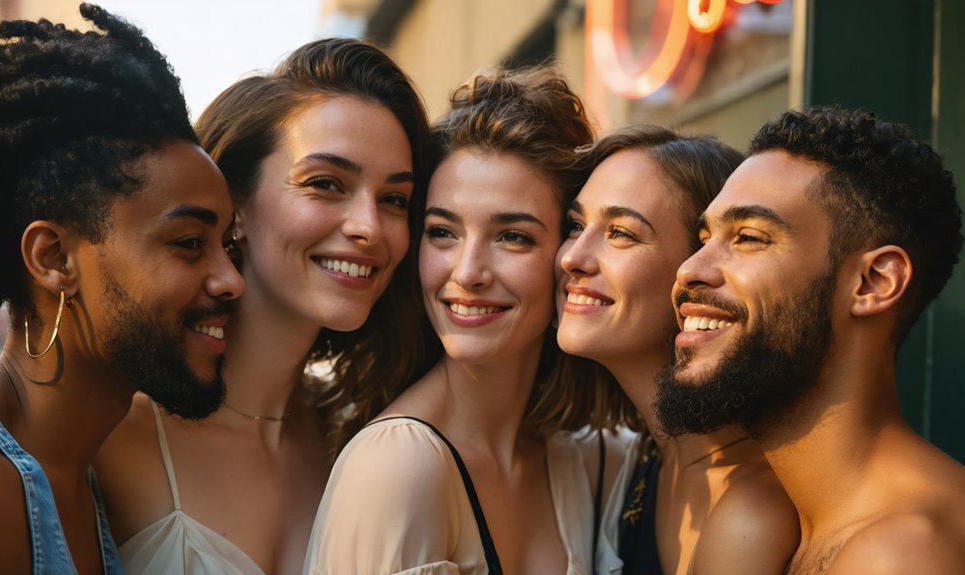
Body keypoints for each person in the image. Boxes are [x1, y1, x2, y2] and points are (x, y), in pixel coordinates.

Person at [94, 38, 430, 574]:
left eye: (394, 200)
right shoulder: (113, 428)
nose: (370, 227)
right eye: (326, 184)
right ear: (234, 205)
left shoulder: (357, 438)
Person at [305, 65, 637, 575]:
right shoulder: (396, 467)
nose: (468, 273)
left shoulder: (592, 462)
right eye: (443, 232)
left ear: (569, 256)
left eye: (513, 237)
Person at [0, 4, 244, 574]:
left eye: (229, 249)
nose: (232, 280)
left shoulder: (81, 472)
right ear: (55, 258)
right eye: (189, 243)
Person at [655, 106, 965, 573]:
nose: (689, 270)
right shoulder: (775, 524)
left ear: (874, 282)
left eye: (749, 238)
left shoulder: (904, 553)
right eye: (705, 238)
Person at [556, 125, 798, 574]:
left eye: (621, 233)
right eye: (575, 225)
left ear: (696, 267)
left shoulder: (751, 510)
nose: (572, 257)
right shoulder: (643, 456)